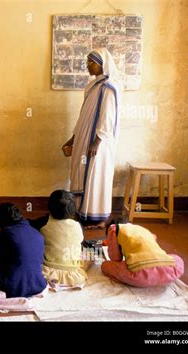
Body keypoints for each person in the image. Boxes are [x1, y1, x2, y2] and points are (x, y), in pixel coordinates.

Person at [62, 48, 121, 229]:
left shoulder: (109, 88)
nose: (88, 66)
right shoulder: (93, 87)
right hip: (84, 139)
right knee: (79, 173)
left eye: (91, 62)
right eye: (87, 62)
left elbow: (108, 117)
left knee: (96, 176)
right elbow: (83, 117)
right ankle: (82, 213)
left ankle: (98, 218)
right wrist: (73, 138)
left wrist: (97, 141)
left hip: (98, 143)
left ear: (102, 65)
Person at [0, 203, 46, 298]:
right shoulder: (37, 233)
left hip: (13, 287)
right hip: (37, 284)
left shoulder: (5, 232)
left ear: (2, 223)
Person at [101, 220, 184, 287]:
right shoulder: (142, 229)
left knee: (105, 265)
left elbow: (115, 258)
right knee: (176, 258)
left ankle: (125, 280)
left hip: (140, 275)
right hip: (167, 271)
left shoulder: (114, 229)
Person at [41, 190, 91, 289]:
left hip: (48, 271)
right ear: (73, 211)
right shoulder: (78, 225)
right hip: (73, 274)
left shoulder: (43, 222)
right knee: (89, 254)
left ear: (49, 208)